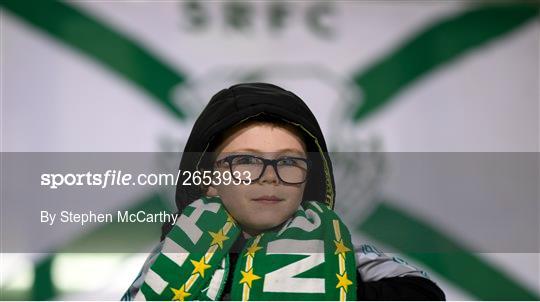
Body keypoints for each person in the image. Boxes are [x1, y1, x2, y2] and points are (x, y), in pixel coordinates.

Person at [121, 83, 445, 301]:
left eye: (288, 161)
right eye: (245, 161)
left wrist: (332, 285)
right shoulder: (166, 264)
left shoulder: (349, 259)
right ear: (208, 179)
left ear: (310, 179)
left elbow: (426, 294)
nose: (269, 177)